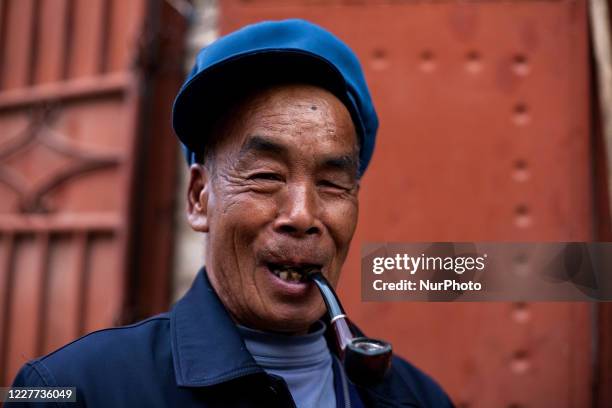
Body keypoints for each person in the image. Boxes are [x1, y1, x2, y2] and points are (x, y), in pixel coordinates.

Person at [11, 19, 453, 407]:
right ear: (199, 198)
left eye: (332, 183)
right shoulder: (70, 391)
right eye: (265, 175)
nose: (302, 215)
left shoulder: (420, 399)